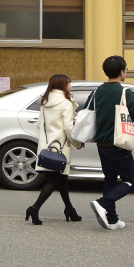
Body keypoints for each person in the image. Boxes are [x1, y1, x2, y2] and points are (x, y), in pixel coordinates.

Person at [89, 55, 134, 230]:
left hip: (101, 145)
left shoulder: (97, 91)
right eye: (125, 69)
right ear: (122, 72)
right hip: (118, 145)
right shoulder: (124, 92)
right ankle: (103, 203)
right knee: (130, 181)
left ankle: (112, 219)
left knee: (110, 179)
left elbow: (87, 113)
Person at [26, 74, 84, 225]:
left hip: (47, 147)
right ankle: (34, 208)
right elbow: (69, 128)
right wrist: (77, 142)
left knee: (61, 179)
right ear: (63, 85)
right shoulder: (65, 103)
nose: (71, 86)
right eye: (69, 83)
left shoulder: (46, 102)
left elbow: (39, 125)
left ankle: (69, 209)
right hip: (60, 148)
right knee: (55, 179)